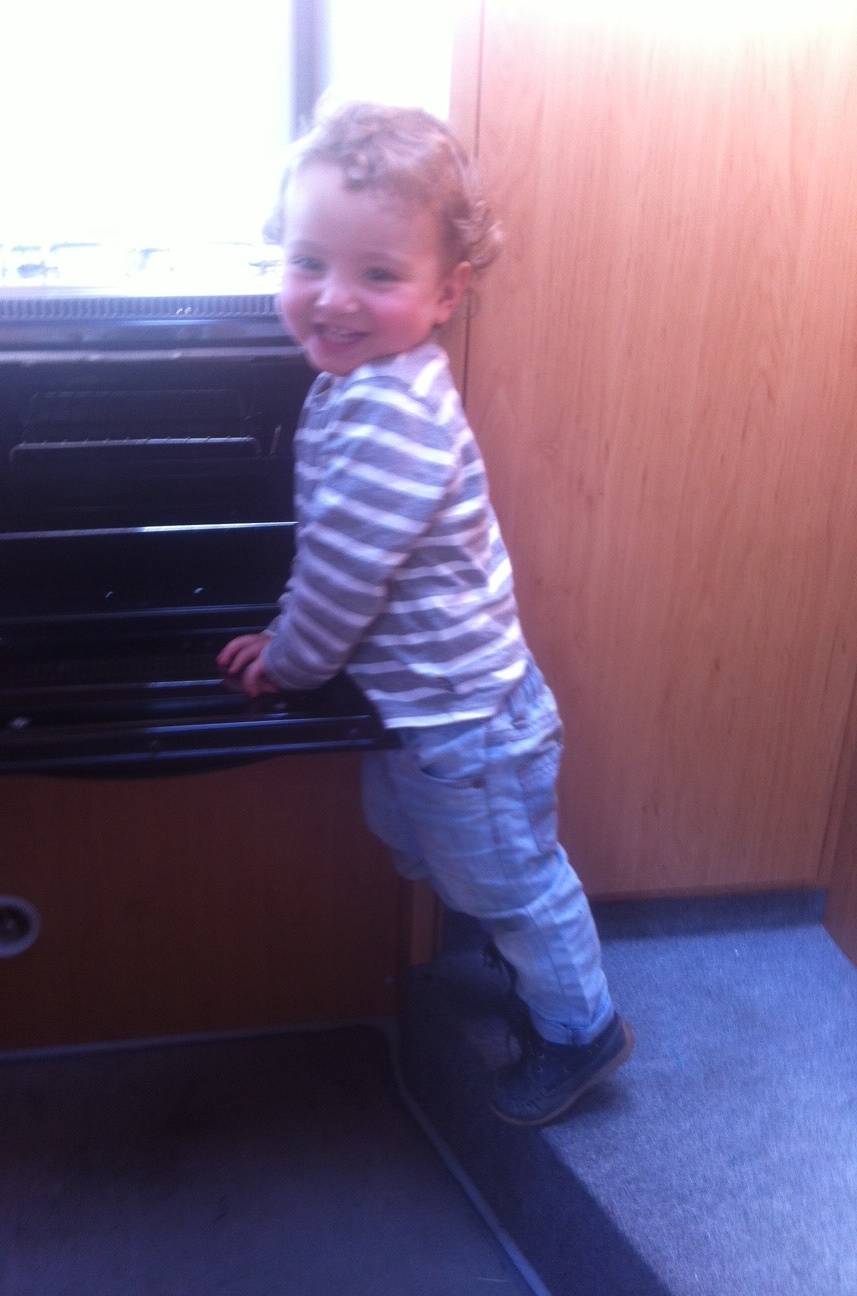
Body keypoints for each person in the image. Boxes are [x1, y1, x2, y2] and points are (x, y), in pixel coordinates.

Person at [218, 99, 633, 1126]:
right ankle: (527, 963)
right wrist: (290, 629)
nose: (332, 298)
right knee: (434, 848)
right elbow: (332, 546)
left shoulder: (390, 417)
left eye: (377, 274)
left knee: (514, 881)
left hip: (467, 725)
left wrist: (288, 659)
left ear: (447, 293)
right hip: (432, 714)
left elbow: (341, 581)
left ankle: (579, 1030)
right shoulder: (364, 382)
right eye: (308, 262)